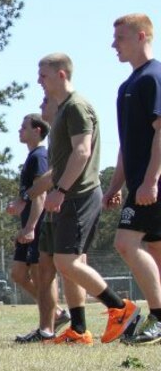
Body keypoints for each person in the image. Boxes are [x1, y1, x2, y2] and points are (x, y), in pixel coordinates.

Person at [31, 53, 137, 344]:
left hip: (79, 195)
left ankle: (120, 308)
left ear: (61, 74)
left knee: (67, 262)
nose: (39, 81)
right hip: (69, 196)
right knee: (69, 262)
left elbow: (82, 151)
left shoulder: (76, 105)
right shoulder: (64, 109)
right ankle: (78, 330)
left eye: (44, 75)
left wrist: (61, 191)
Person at [102, 15, 161, 344]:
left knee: (125, 243)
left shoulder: (155, 77)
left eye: (120, 38)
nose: (114, 45)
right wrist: (114, 186)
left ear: (141, 37)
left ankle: (158, 316)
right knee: (155, 248)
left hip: (152, 184)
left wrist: (151, 180)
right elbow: (127, 143)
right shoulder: (127, 86)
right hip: (138, 184)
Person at [4, 113, 64, 342]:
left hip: (37, 227)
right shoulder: (32, 156)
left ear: (37, 130)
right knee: (19, 274)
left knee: (42, 275)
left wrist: (30, 227)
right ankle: (56, 312)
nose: (20, 131)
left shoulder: (40, 155)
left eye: (24, 127)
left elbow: (41, 194)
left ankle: (48, 324)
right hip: (28, 223)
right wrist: (20, 207)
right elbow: (30, 196)